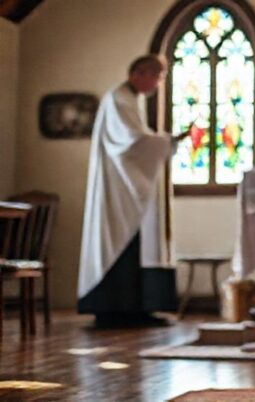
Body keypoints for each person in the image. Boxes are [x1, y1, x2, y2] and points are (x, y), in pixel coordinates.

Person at [77, 55, 189, 327]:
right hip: (117, 187)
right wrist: (167, 141)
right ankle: (114, 309)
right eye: (157, 77)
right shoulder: (119, 99)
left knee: (137, 244)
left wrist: (163, 142)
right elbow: (131, 142)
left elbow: (136, 141)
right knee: (121, 242)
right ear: (139, 73)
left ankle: (137, 308)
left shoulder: (128, 100)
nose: (158, 84)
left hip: (125, 186)